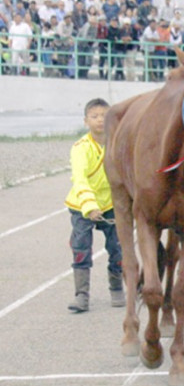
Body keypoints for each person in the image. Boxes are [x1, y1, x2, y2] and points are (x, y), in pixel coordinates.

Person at [64, 99, 124, 313]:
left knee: (118, 247)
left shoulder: (118, 143)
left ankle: (117, 288)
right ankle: (82, 295)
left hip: (110, 203)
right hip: (82, 204)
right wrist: (89, 206)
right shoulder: (80, 148)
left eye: (104, 115)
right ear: (86, 120)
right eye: (94, 116)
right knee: (81, 247)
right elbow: (80, 179)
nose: (100, 120)